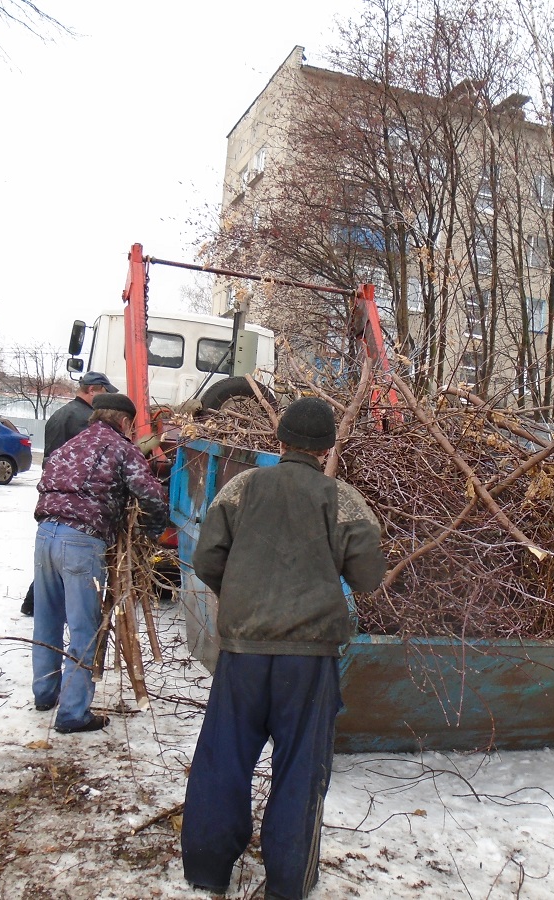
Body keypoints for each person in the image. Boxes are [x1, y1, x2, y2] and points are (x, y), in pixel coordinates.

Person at [181, 397, 387, 899]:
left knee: (222, 758)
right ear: (327, 447)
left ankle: (207, 870)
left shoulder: (240, 487)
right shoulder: (342, 499)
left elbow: (207, 558)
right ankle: (288, 883)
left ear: (280, 439)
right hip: (309, 660)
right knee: (300, 770)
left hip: (243, 653)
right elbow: (367, 577)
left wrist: (244, 594)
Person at [31, 391, 168, 733]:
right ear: (124, 422)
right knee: (83, 628)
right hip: (81, 540)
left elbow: (44, 482)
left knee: (47, 618)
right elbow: (151, 494)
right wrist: (151, 531)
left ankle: (45, 692)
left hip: (45, 535)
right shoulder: (121, 448)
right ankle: (73, 713)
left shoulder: (70, 446)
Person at [21, 371, 117, 616]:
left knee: (52, 560)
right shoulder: (85, 420)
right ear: (93, 390)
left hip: (52, 494)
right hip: (75, 501)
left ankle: (33, 603)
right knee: (67, 558)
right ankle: (35, 603)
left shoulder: (60, 414)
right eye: (105, 393)